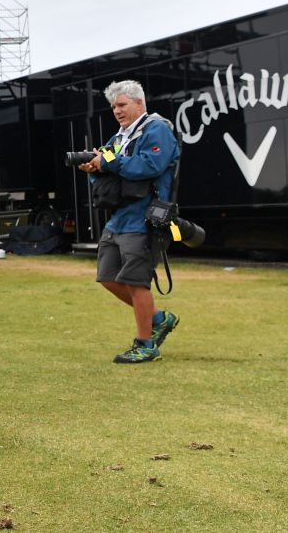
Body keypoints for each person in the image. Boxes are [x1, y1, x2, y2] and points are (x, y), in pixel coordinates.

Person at [78, 79, 181, 364]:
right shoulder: (119, 137)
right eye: (113, 107)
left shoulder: (157, 129)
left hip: (144, 216)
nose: (117, 111)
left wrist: (108, 162)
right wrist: (94, 168)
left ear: (139, 103)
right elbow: (109, 168)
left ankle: (146, 344)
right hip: (119, 217)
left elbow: (151, 165)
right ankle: (159, 318)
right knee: (107, 277)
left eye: (122, 105)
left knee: (137, 283)